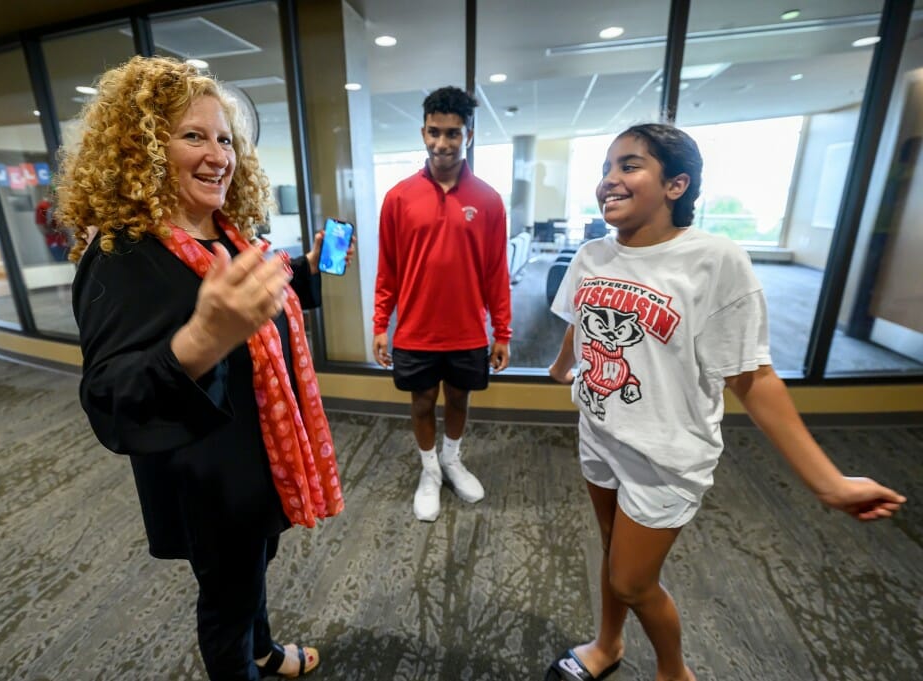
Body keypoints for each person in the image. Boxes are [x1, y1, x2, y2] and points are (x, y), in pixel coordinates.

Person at [545, 123, 906, 681]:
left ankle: (675, 673)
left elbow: (755, 379)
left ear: (676, 185)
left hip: (664, 456)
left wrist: (828, 483)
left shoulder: (714, 261)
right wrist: (563, 364)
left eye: (629, 165)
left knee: (632, 581)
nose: (609, 180)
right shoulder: (593, 253)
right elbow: (581, 316)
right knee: (613, 549)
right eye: (606, 168)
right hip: (599, 430)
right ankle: (607, 645)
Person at [58, 56, 347, 681]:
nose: (218, 154)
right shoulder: (121, 256)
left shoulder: (230, 235)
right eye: (194, 136)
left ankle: (263, 652)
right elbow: (111, 398)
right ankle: (244, 661)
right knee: (227, 601)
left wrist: (304, 270)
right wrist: (199, 341)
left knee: (254, 570)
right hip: (208, 482)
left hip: (264, 460)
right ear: (143, 149)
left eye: (224, 138)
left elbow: (251, 303)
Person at [372, 86, 512, 522]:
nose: (442, 143)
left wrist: (502, 332)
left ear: (468, 135)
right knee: (420, 401)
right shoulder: (398, 198)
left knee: (458, 400)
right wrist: (381, 323)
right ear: (423, 131)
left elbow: (496, 273)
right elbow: (387, 268)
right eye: (434, 132)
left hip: (468, 329)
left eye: (453, 134)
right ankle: (429, 471)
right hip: (415, 330)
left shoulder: (488, 200)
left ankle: (452, 460)